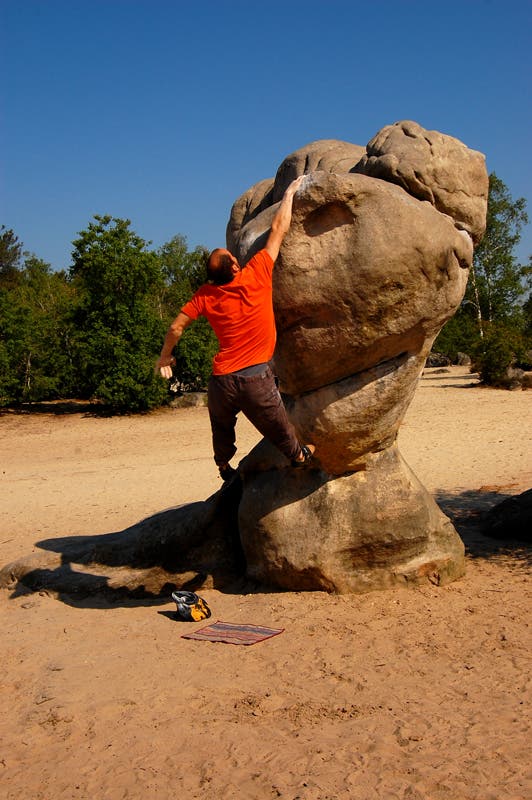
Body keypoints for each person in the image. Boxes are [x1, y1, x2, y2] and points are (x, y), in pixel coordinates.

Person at [156, 175, 315, 481]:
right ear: (234, 266)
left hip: (221, 384)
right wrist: (291, 192)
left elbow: (176, 328)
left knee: (222, 426)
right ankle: (299, 456)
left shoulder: (205, 294)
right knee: (278, 426)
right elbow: (279, 229)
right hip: (254, 378)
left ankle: (223, 465)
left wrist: (165, 357)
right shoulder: (256, 273)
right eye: (231, 257)